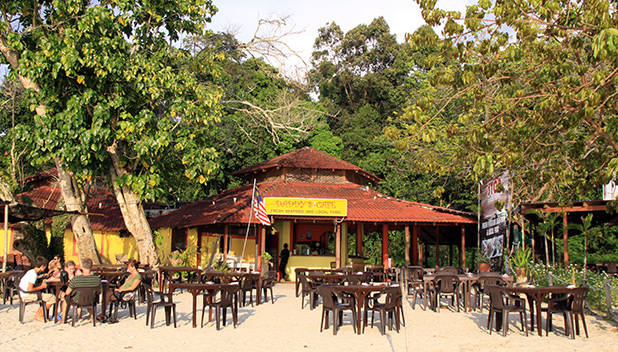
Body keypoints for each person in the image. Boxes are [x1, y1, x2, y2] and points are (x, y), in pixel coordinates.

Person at [60, 258, 101, 324]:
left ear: (81, 267)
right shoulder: (97, 279)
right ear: (92, 266)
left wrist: (64, 294)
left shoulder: (76, 279)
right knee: (90, 295)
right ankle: (92, 318)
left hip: (77, 301)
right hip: (91, 300)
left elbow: (68, 292)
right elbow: (99, 291)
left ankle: (63, 319)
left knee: (66, 298)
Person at [18, 256, 56, 322]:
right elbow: (29, 289)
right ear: (42, 266)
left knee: (46, 296)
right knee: (52, 298)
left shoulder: (31, 272)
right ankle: (39, 315)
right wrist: (42, 286)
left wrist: (39, 277)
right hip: (26, 295)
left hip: (22, 293)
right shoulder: (33, 275)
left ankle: (40, 314)